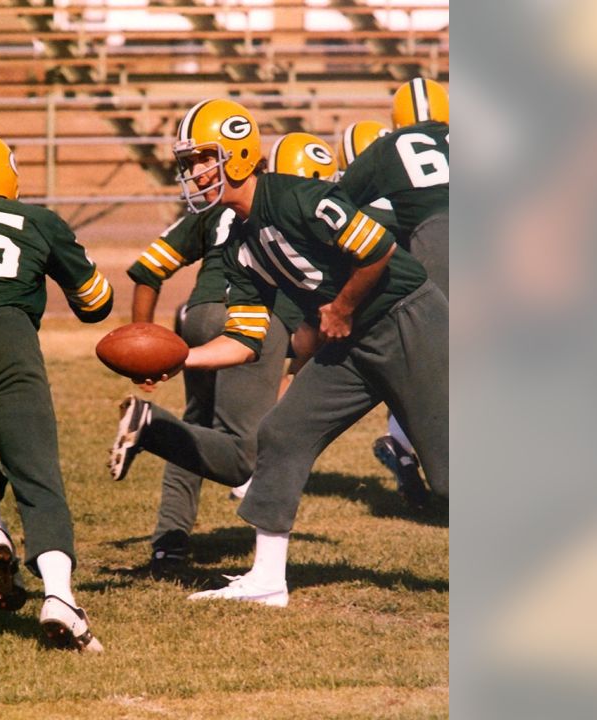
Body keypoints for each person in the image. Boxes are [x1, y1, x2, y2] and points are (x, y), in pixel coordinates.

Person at [109, 100, 448, 606]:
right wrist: (180, 359)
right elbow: (245, 341)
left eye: (203, 159)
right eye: (189, 163)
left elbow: (375, 248)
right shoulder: (239, 245)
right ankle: (268, 578)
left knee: (448, 478)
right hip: (354, 338)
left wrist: (341, 308)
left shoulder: (295, 197)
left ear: (240, 155)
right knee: (282, 431)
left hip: (408, 319)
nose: (194, 172)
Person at [121, 133, 331, 574]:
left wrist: (143, 337)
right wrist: (295, 370)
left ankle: (169, 542)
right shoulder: (303, 214)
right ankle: (150, 427)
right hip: (252, 323)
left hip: (197, 314)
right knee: (244, 455)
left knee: (196, 427)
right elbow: (313, 326)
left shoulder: (223, 205)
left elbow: (149, 267)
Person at [0, 131, 112, 650]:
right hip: (9, 336)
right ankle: (59, 597)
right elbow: (96, 301)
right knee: (37, 475)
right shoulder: (38, 220)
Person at [338, 78, 451, 500]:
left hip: (398, 276)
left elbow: (338, 203)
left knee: (417, 365)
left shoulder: (387, 152)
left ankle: (402, 443)